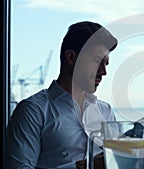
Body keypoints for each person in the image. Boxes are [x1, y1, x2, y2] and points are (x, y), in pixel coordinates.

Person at [5, 21, 118, 169]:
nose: (103, 72)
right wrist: (82, 167)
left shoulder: (106, 111)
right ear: (71, 58)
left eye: (106, 63)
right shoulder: (33, 111)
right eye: (97, 61)